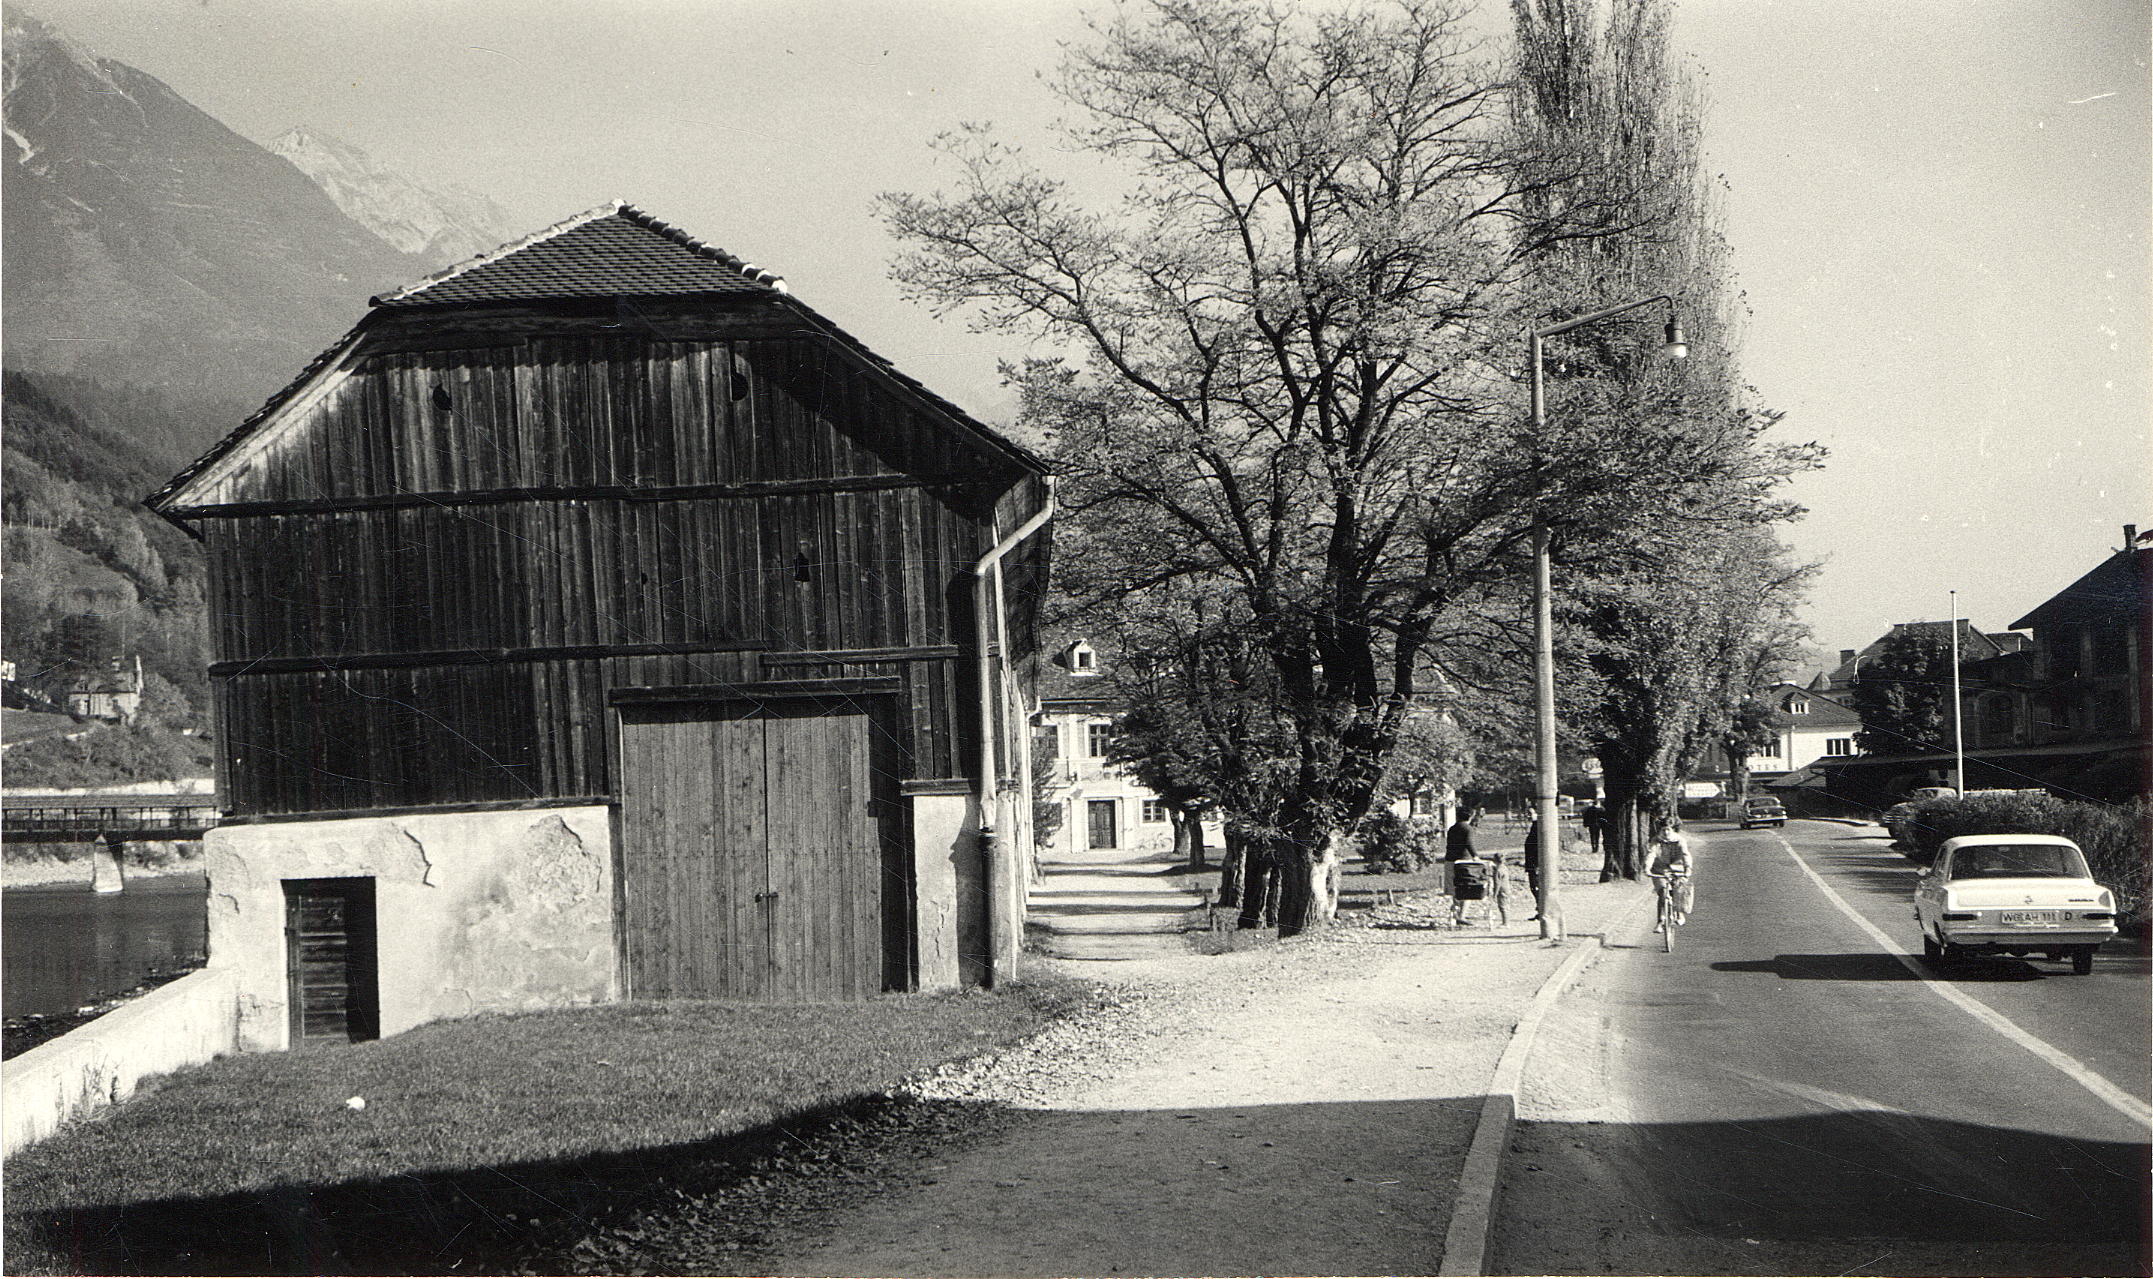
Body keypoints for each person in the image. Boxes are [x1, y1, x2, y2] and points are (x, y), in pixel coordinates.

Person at [1644, 816, 1695, 929]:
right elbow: (1651, 854)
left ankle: (1679, 913)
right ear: (1660, 830)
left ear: (1673, 830)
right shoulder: (1656, 840)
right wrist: (1647, 867)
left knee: (1678, 890)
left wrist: (1688, 869)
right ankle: (1660, 921)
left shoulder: (1679, 840)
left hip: (1677, 868)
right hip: (1660, 869)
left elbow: (1685, 855)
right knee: (1662, 892)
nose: (1666, 832)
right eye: (1663, 830)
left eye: (1668, 829)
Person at [1521, 818, 1545, 920]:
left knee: (1536, 887)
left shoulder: (1537, 835)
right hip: (1532, 864)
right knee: (1534, 887)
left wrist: (1536, 866)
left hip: (1535, 865)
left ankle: (1542, 909)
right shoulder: (1534, 833)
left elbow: (1536, 850)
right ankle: (1540, 909)